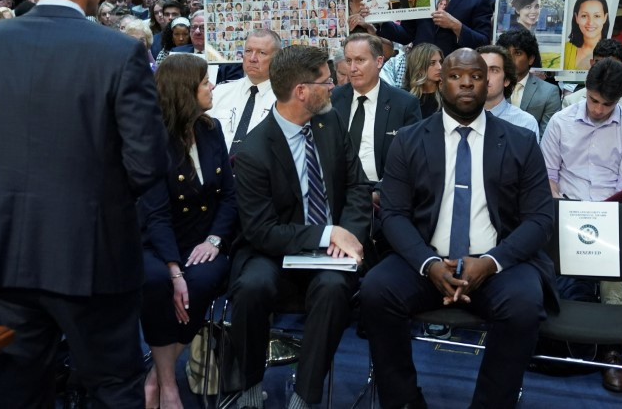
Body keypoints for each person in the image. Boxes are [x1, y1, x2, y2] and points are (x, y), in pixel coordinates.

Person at [0, 0, 168, 407]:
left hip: (0, 254)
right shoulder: (119, 50)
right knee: (113, 388)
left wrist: (5, 192)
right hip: (92, 256)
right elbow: (146, 165)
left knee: (16, 392)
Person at [361, 48, 558, 409]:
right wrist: (428, 264)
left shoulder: (520, 141)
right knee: (376, 291)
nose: (466, 82)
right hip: (425, 262)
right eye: (455, 76)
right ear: (440, 82)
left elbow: (541, 219)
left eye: (476, 76)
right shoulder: (408, 139)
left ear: (490, 84)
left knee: (525, 306)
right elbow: (392, 214)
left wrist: (492, 262)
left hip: (498, 265)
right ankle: (404, 401)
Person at [229, 45, 370, 409]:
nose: (335, 87)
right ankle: (248, 388)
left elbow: (357, 186)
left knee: (333, 287)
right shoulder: (253, 150)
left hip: (328, 250)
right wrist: (327, 233)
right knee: (251, 286)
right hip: (273, 249)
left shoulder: (330, 121)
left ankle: (304, 396)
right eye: (326, 81)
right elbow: (262, 231)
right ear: (302, 91)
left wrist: (347, 235)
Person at [540, 57, 622, 393]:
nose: (599, 109)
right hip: (564, 207)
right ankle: (550, 339)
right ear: (585, 92)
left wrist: (595, 222)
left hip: (610, 212)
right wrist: (565, 214)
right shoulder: (561, 121)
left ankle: (611, 350)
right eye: (593, 100)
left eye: (607, 104)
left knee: (612, 269)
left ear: (621, 98)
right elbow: (548, 178)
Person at [139, 54, 236, 409]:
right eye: (205, 82)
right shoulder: (151, 139)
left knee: (199, 283)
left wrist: (214, 239)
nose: (212, 87)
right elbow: (156, 213)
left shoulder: (212, 130)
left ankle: (158, 379)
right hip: (157, 240)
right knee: (154, 282)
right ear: (184, 90)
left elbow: (229, 196)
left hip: (204, 239)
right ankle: (168, 385)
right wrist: (172, 269)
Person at [331, 33, 421, 182]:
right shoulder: (333, 99)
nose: (352, 68)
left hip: (385, 191)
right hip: (339, 191)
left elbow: (413, 159)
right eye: (348, 61)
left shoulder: (404, 104)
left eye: (360, 60)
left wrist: (380, 192)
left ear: (379, 61)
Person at [562, 39, 622, 143]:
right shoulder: (571, 101)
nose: (605, 71)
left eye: (613, 65)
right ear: (591, 64)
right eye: (599, 64)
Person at [208, 29, 280, 154]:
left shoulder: (283, 98)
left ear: (277, 58)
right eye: (248, 51)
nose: (252, 58)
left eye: (261, 53)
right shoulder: (220, 92)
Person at [496, 29, 561, 136]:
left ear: (530, 59)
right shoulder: (491, 87)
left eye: (517, 53)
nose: (510, 58)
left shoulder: (549, 92)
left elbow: (546, 137)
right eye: (506, 52)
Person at [477, 45, 539, 142]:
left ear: (506, 80)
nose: (486, 77)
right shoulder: (459, 119)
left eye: (494, 70)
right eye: (481, 70)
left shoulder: (525, 123)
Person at [564, 0, 610, 70]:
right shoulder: (565, 49)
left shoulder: (614, 51)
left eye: (597, 16)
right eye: (584, 16)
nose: (590, 22)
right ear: (576, 17)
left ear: (605, 18)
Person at [403, 43, 444, 118]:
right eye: (432, 63)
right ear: (419, 67)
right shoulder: (404, 96)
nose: (440, 67)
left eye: (440, 62)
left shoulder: (447, 94)